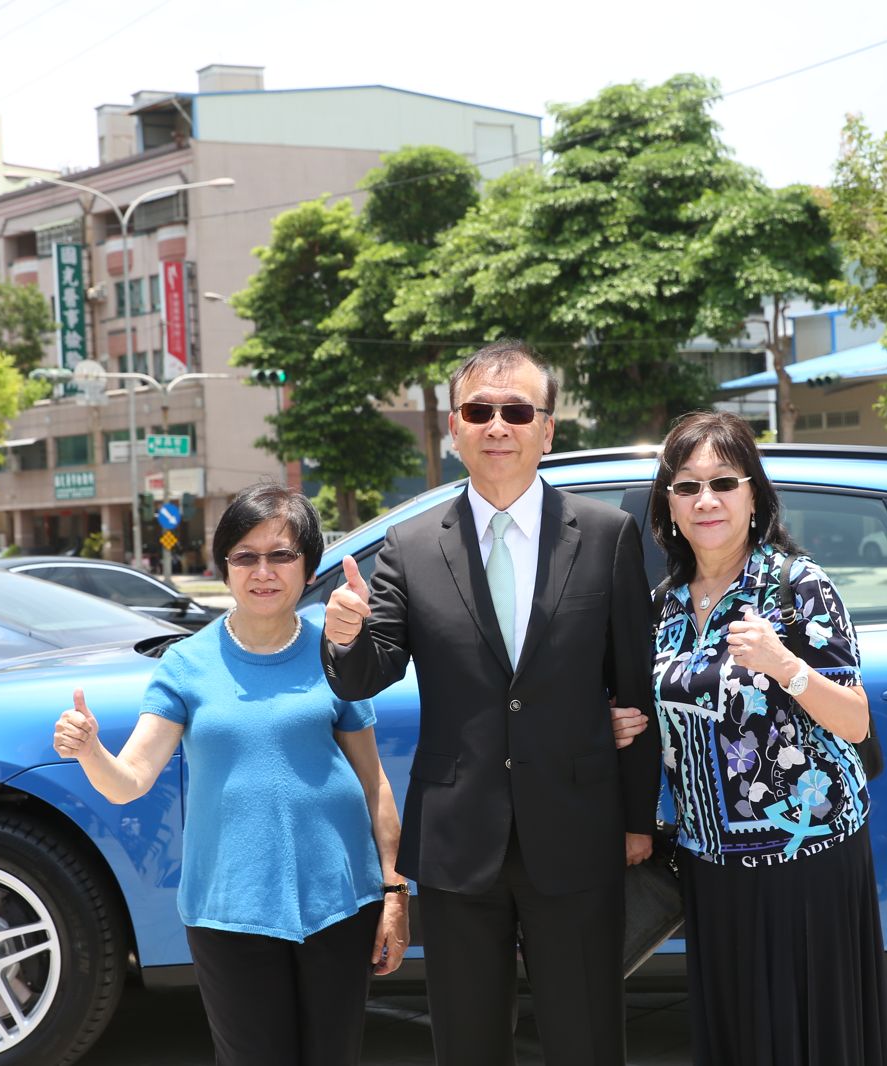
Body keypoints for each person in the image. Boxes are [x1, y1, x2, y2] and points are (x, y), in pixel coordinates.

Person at [321, 339, 659, 1066]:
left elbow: (635, 685)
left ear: (548, 429)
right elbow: (367, 674)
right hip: (457, 840)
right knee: (467, 1044)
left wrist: (637, 820)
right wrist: (344, 636)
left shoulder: (607, 535)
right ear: (454, 428)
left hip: (578, 830)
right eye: (478, 411)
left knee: (588, 1039)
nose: (497, 425)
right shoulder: (410, 546)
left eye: (517, 411)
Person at [52, 484, 408, 1066]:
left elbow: (375, 784)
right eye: (245, 556)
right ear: (224, 568)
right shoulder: (187, 664)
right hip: (230, 909)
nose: (263, 572)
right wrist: (91, 750)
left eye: (281, 555)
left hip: (340, 902)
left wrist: (394, 892)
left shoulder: (335, 651)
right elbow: (129, 779)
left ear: (308, 567)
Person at [612, 410, 887, 1066]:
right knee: (740, 1032)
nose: (706, 500)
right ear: (669, 506)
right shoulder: (662, 607)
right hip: (711, 863)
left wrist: (784, 665)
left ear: (753, 495)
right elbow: (659, 715)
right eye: (687, 486)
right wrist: (618, 723)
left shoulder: (798, 587)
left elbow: (854, 721)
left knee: (810, 1034)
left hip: (806, 858)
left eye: (723, 482)